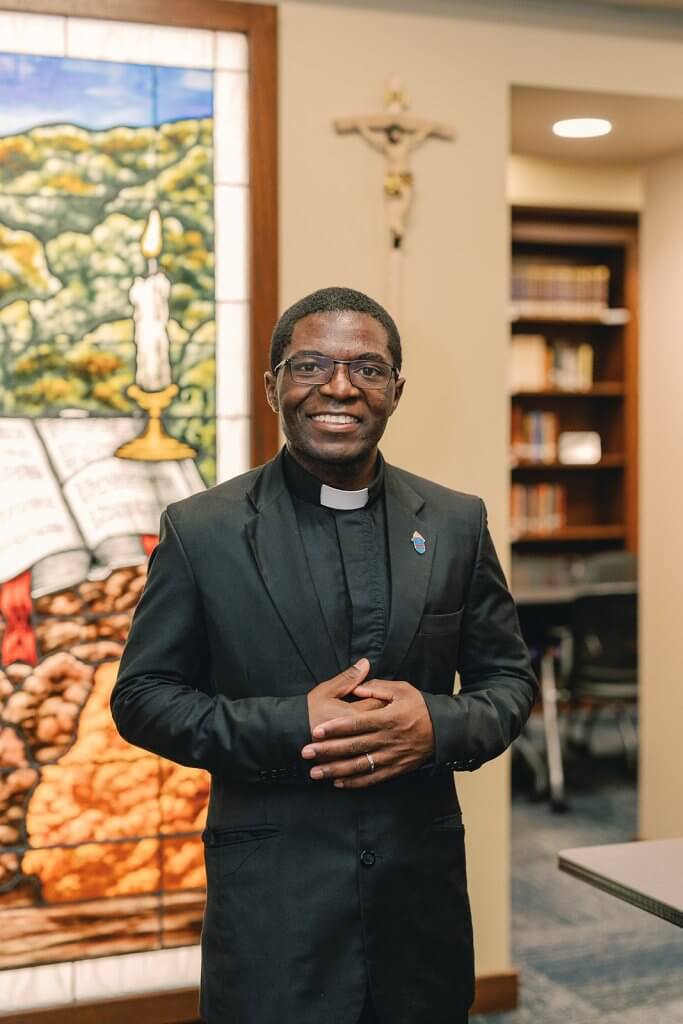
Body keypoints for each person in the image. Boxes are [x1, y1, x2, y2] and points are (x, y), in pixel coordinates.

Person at [111, 286, 537, 1024]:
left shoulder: (455, 523)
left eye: (367, 369)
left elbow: (507, 681)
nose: (339, 387)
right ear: (272, 385)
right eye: (310, 365)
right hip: (276, 918)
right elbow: (143, 697)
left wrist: (436, 725)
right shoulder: (202, 531)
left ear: (396, 390)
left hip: (419, 909)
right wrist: (294, 725)